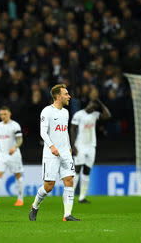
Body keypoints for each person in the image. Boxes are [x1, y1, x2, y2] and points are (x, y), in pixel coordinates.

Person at [29, 84, 80, 221]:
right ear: (58, 96)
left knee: (69, 180)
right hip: (51, 153)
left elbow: (65, 132)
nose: (69, 96)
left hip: (65, 152)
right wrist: (52, 146)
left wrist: (69, 147)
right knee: (49, 186)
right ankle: (35, 206)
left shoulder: (65, 112)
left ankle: (67, 215)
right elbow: (43, 132)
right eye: (66, 94)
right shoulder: (47, 111)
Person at [70, 99, 111, 203]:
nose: (91, 106)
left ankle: (82, 197)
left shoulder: (95, 114)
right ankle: (70, 196)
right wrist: (73, 146)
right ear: (88, 104)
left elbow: (108, 115)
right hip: (80, 146)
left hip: (91, 146)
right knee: (77, 170)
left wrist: (101, 104)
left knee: (87, 171)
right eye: (91, 104)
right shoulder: (79, 114)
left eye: (94, 106)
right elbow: (72, 130)